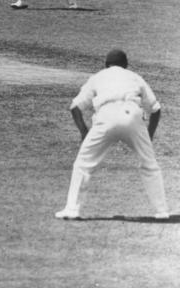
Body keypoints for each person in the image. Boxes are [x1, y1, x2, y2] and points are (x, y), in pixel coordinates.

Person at [55, 49, 169, 220]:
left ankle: (72, 210)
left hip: (105, 117)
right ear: (126, 65)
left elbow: (75, 107)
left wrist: (84, 132)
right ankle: (162, 212)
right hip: (132, 115)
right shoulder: (134, 77)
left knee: (83, 165)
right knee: (150, 164)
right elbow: (156, 109)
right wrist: (149, 135)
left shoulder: (98, 77)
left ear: (106, 65)